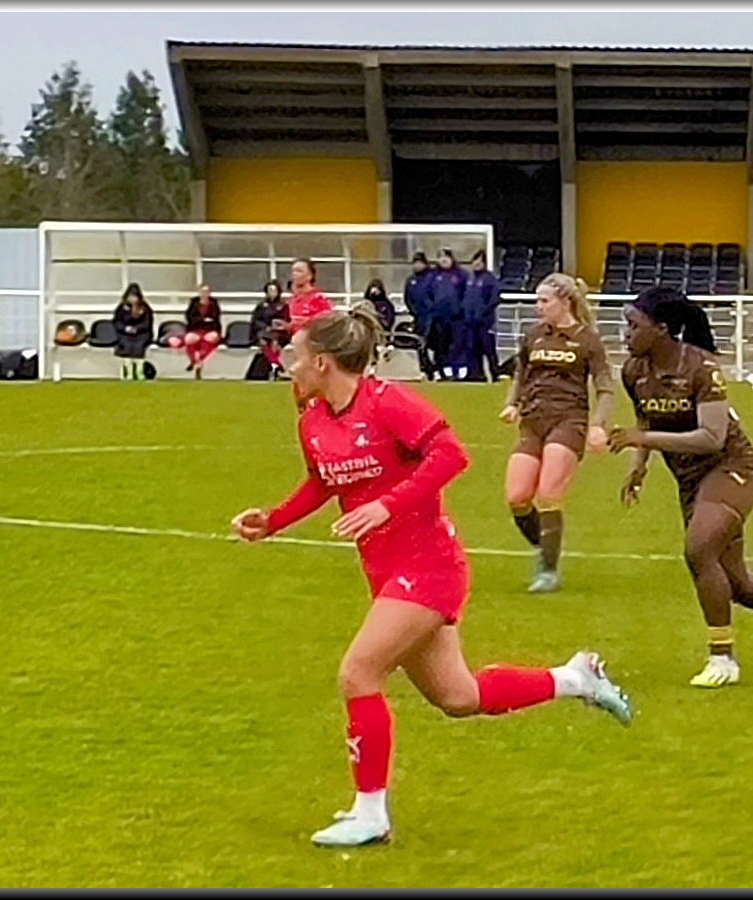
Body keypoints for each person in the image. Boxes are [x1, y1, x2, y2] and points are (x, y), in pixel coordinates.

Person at [231, 303, 633, 848]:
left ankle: (371, 814)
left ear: (323, 362)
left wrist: (387, 506)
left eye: (295, 355)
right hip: (386, 571)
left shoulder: (387, 403)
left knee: (357, 672)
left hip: (430, 567)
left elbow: (450, 456)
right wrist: (271, 521)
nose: (287, 363)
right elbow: (322, 482)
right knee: (459, 697)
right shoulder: (313, 420)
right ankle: (573, 678)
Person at [609, 287, 753, 688]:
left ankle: (723, 659)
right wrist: (639, 467)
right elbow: (646, 421)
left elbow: (711, 437)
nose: (626, 334)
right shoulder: (633, 371)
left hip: (733, 468)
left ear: (663, 329)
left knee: (698, 548)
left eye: (633, 325)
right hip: (689, 480)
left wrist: (642, 441)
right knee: (734, 582)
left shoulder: (703, 369)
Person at [497, 273, 612, 593]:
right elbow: (520, 375)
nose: (538, 307)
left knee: (548, 493)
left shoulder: (587, 339)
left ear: (565, 302)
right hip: (532, 422)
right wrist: (512, 404)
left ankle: (548, 571)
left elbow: (605, 387)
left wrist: (598, 426)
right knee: (517, 496)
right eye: (537, 300)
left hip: (568, 421)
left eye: (544, 301)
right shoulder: (534, 335)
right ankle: (545, 548)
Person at [460, 249, 502, 381]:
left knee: (489, 349)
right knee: (472, 349)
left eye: (479, 261)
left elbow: (494, 298)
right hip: (470, 321)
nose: (476, 264)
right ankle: (476, 374)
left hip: (485, 322)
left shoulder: (489, 279)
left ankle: (495, 374)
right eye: (474, 261)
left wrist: (484, 312)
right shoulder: (469, 278)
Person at [429, 249, 467, 380]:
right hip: (439, 318)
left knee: (458, 344)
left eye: (446, 257)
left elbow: (466, 294)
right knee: (441, 346)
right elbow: (428, 295)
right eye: (441, 257)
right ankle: (444, 370)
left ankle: (460, 368)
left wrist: (461, 309)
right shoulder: (433, 276)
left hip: (457, 318)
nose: (444, 260)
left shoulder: (461, 275)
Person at [170, 285, 223, 378]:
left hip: (210, 329)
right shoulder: (193, 303)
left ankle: (199, 359)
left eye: (207, 292)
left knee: (211, 338)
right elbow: (190, 318)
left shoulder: (214, 303)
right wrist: (203, 320)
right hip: (195, 328)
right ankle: (196, 361)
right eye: (202, 292)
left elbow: (215, 319)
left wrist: (205, 322)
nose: (204, 294)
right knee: (189, 339)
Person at [402, 252, 438, 379]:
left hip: (432, 317)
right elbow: (407, 298)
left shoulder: (432, 278)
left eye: (419, 262)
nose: (417, 265)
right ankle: (425, 368)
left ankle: (437, 368)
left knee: (434, 344)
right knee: (420, 344)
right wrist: (414, 311)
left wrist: (432, 310)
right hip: (419, 317)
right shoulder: (411, 280)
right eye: (415, 263)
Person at [250, 279, 291, 379]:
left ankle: (274, 366)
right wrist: (266, 327)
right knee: (263, 340)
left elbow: (287, 320)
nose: (272, 293)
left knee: (275, 342)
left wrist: (278, 325)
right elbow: (256, 321)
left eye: (274, 291)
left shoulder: (284, 306)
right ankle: (276, 365)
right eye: (270, 291)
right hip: (264, 332)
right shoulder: (261, 306)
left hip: (279, 333)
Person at [112, 283, 154, 381]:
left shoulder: (145, 309)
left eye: (135, 296)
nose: (133, 299)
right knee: (126, 346)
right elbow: (117, 322)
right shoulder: (122, 308)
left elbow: (147, 323)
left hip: (141, 333)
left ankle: (139, 372)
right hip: (125, 333)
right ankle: (128, 371)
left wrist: (136, 329)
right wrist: (126, 328)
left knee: (139, 346)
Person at [287, 258, 333, 333]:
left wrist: (305, 322)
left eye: (299, 271)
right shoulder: (293, 299)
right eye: (293, 271)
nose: (295, 274)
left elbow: (328, 321)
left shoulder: (318, 298)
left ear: (310, 275)